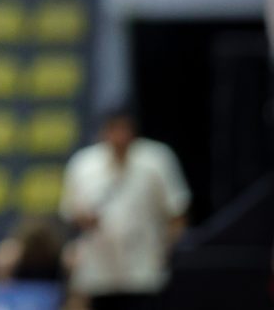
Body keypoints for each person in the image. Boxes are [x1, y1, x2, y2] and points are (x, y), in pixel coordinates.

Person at [59, 107, 191, 310]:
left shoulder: (157, 159)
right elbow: (70, 213)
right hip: (99, 271)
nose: (120, 136)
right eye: (114, 129)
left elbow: (178, 211)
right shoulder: (84, 164)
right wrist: (83, 220)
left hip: (145, 270)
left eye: (124, 129)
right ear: (103, 132)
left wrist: (168, 251)